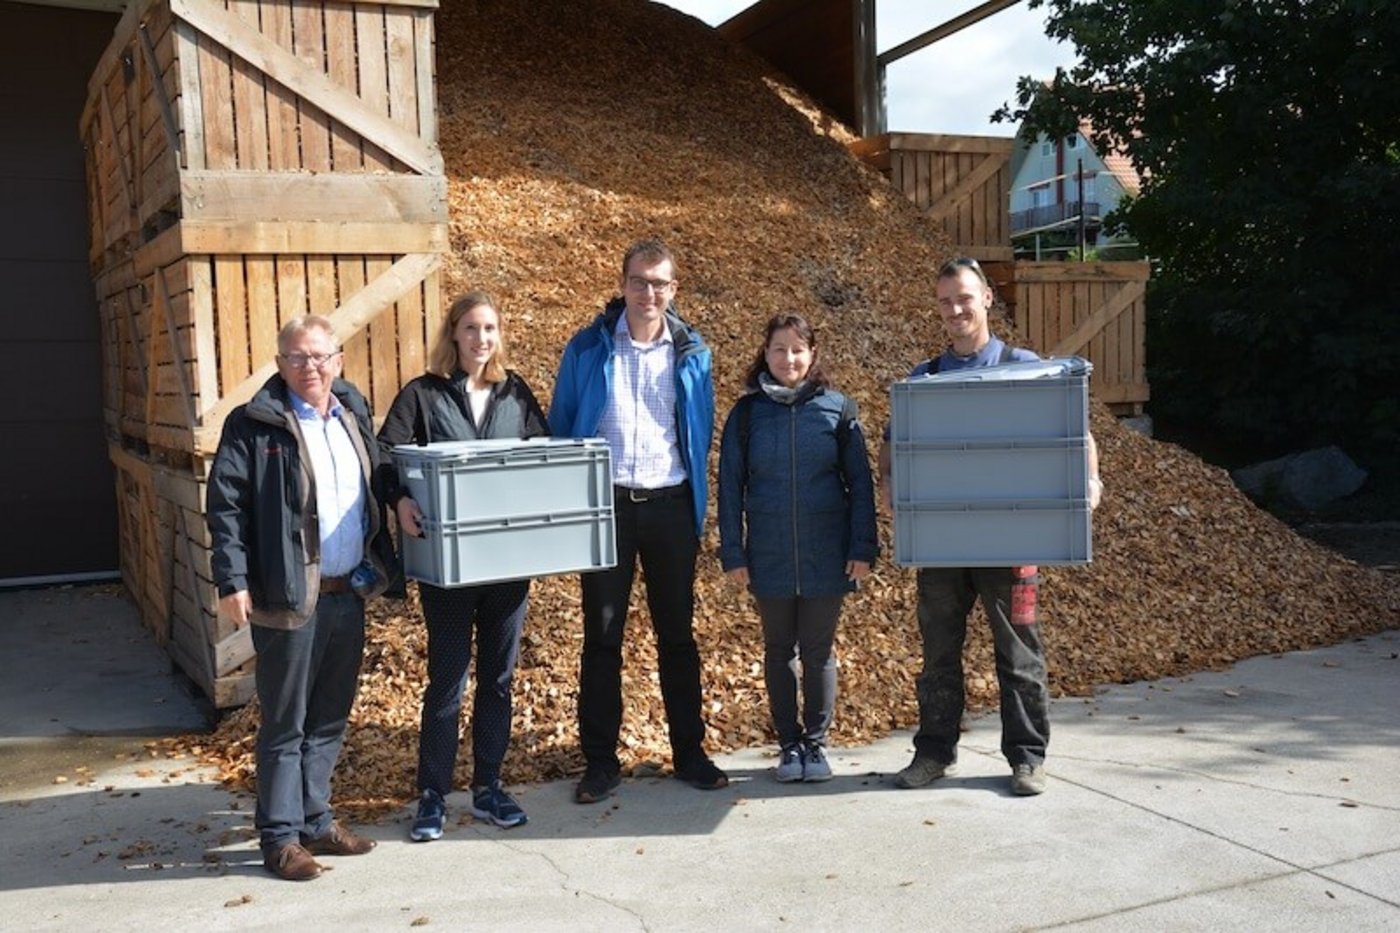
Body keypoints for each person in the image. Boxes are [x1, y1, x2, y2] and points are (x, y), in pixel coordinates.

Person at [878, 257, 1103, 797]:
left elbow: (1075, 431)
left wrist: (1089, 485)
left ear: (986, 300)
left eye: (965, 297)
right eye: (946, 301)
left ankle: (1027, 758)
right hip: (942, 543)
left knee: (1020, 650)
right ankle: (933, 753)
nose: (956, 309)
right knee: (938, 655)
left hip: (1012, 542)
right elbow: (893, 442)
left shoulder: (1023, 366)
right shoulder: (924, 379)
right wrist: (887, 484)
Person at [206, 315, 396, 881]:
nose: (310, 367)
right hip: (287, 599)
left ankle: (317, 820)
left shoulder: (352, 414)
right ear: (279, 364)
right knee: (285, 723)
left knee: (330, 717)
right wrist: (231, 579)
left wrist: (402, 501)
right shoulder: (254, 425)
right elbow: (226, 506)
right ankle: (281, 839)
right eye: (297, 357)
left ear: (338, 360)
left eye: (320, 356)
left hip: (348, 591)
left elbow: (380, 472)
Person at [549, 238, 727, 803]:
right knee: (601, 638)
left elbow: (699, 432)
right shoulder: (587, 348)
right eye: (639, 281)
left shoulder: (692, 355)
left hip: (670, 506)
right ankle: (601, 761)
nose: (649, 293)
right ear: (622, 283)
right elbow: (560, 427)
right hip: (607, 506)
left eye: (660, 283)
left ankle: (690, 752)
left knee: (677, 636)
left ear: (673, 290)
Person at [376, 291, 550, 841]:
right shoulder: (423, 395)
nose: (482, 339)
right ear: (453, 334)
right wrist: (399, 499)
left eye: (490, 328)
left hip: (505, 567)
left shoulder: (515, 392)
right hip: (449, 570)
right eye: (471, 328)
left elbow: (543, 456)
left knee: (498, 680)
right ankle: (432, 795)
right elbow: (385, 454)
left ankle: (489, 787)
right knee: (447, 680)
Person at [717, 314, 878, 783]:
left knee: (819, 650)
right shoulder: (746, 416)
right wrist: (734, 552)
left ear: (813, 355)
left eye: (798, 350)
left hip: (827, 551)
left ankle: (816, 744)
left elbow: (861, 485)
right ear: (764, 355)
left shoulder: (837, 409)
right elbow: (730, 486)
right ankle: (788, 747)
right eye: (779, 350)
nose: (789, 359)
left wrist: (862, 547)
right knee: (777, 648)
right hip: (768, 552)